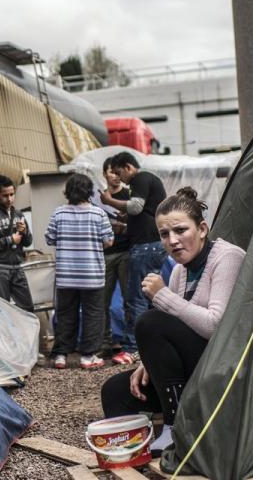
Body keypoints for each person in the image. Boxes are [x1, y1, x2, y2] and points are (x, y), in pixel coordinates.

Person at [98, 187, 245, 454]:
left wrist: (163, 295)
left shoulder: (228, 257)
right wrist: (150, 363)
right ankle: (126, 449)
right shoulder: (179, 271)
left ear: (202, 229)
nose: (172, 240)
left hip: (223, 371)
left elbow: (216, 326)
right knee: (115, 390)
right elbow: (173, 333)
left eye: (180, 230)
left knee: (149, 321)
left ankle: (176, 426)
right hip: (193, 368)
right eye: (164, 234)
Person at [100, 151, 167, 365]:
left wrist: (109, 201)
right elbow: (143, 212)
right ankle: (153, 343)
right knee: (151, 297)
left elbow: (137, 206)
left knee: (136, 298)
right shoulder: (149, 180)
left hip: (145, 246)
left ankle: (131, 348)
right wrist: (127, 222)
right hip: (154, 245)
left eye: (120, 172)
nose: (120, 178)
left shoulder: (140, 178)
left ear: (129, 167)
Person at [44, 173, 114, 370]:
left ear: (68, 192)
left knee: (66, 314)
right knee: (93, 314)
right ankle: (87, 356)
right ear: (89, 191)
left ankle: (61, 356)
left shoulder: (58, 213)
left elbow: (50, 239)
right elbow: (109, 241)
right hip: (92, 275)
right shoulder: (98, 214)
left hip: (66, 275)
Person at [97, 155, 132, 364]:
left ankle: (129, 345)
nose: (116, 176)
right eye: (112, 172)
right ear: (104, 174)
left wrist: (124, 227)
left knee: (130, 300)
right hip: (106, 255)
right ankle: (105, 344)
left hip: (126, 252)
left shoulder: (129, 195)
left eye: (119, 172)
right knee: (103, 302)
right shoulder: (97, 199)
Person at [0, 175, 34, 312]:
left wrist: (25, 232)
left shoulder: (19, 214)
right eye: (5, 195)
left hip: (17, 267)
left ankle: (22, 334)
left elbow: (28, 242)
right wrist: (10, 239)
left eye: (12, 194)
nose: (9, 199)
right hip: (0, 269)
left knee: (28, 308)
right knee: (2, 311)